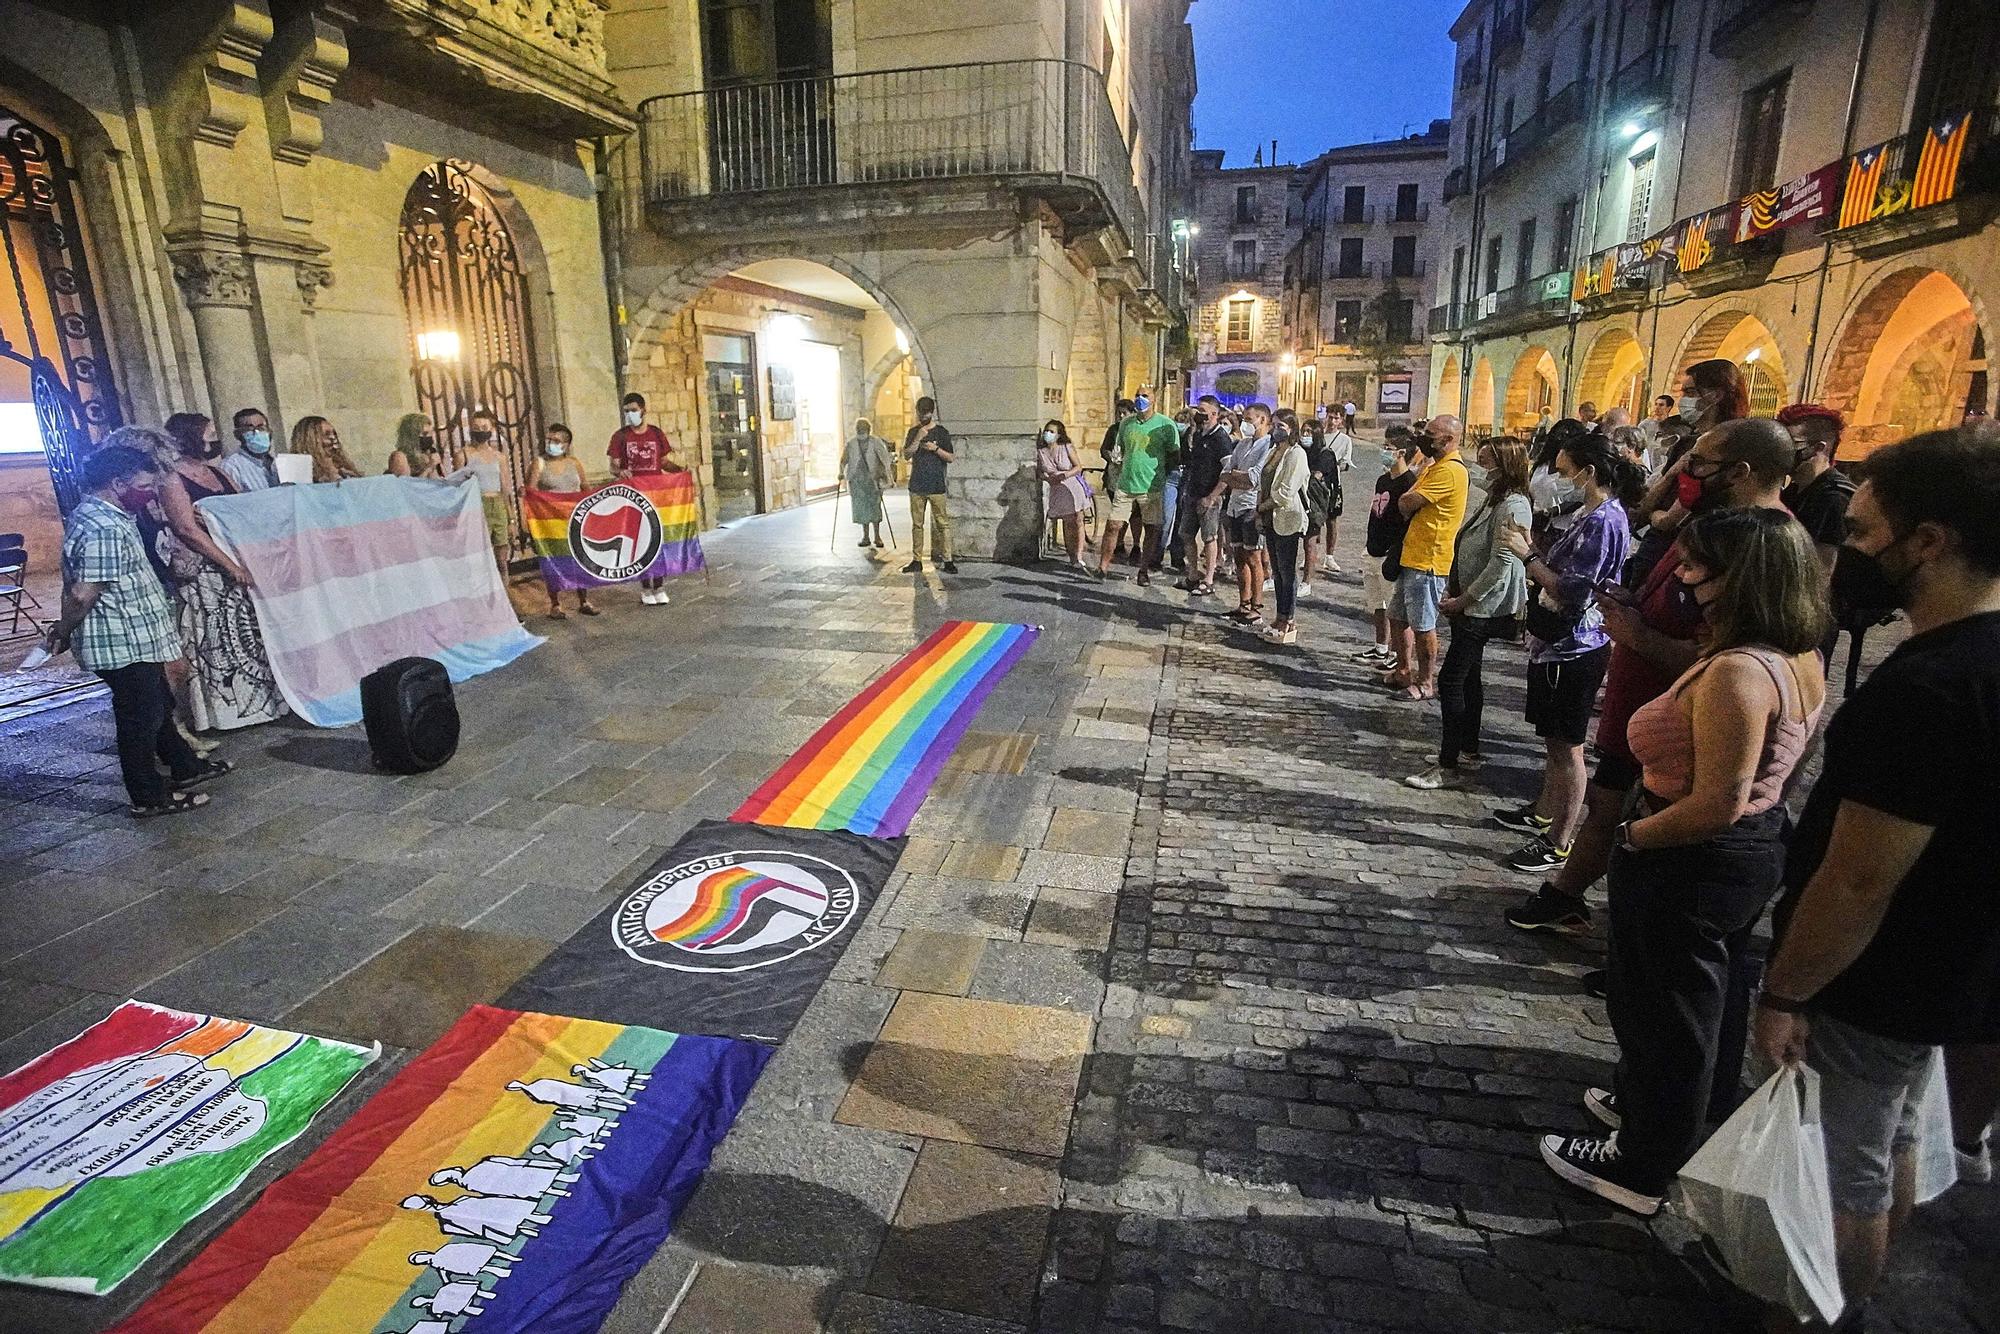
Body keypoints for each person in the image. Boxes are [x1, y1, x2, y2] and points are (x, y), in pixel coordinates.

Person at [1751, 423, 2000, 1304]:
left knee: (1838, 1170)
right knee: (1889, 1140)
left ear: (1928, 543)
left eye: (1862, 533)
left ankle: (1823, 1312)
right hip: (1950, 964)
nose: (1846, 550)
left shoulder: (1926, 691)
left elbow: (1859, 878)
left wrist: (1785, 991)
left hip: (1876, 976)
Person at [1542, 506, 1829, 1216]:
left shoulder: (1739, 671)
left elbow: (1720, 799)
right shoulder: (1797, 656)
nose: (1684, 581)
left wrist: (1634, 840)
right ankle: (1663, 1114)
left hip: (1691, 854)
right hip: (1735, 852)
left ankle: (1642, 1161)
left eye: (1698, 569)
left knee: (1668, 1014)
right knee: (1707, 1006)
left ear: (1742, 580)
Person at [1505, 418, 1795, 939]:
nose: (1687, 472)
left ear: (1742, 472)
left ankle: (1593, 908)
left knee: (1628, 822)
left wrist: (1637, 634)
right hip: (1640, 705)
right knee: (1607, 800)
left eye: (1700, 464)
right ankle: (1583, 905)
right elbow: (1653, 522)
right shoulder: (1709, 524)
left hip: (1682, 724)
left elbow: (1735, 660)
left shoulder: (1759, 546)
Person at [48, 445, 229, 816]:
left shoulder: (111, 515)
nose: (150, 492)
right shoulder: (104, 527)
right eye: (145, 484)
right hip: (120, 640)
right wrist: (63, 630)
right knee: (140, 719)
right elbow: (83, 594)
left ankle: (183, 765)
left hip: (136, 635)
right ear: (117, 483)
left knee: (158, 704)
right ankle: (148, 795)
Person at [1495, 431, 1637, 874]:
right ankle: (1544, 809)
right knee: (1553, 740)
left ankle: (1559, 839)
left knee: (1568, 745)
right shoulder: (1590, 511)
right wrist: (1536, 547)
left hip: (1575, 645)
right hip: (1557, 643)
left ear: (1589, 471)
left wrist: (1525, 556)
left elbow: (1572, 590)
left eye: (1565, 469)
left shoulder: (1604, 520)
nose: (1561, 477)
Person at [1406, 436, 1532, 790]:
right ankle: (1467, 748)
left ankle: (1448, 763)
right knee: (1470, 677)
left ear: (1504, 465)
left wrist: (1465, 599)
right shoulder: (1497, 499)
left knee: (1451, 680)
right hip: (1470, 601)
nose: (1481, 468)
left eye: (1488, 461)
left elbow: (1502, 562)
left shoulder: (1514, 506)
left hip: (1484, 607)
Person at [155, 414, 281, 733]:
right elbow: (187, 529)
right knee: (214, 640)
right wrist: (229, 565)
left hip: (236, 565)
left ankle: (260, 704)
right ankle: (223, 712)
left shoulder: (217, 472)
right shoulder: (172, 478)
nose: (214, 439)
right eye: (209, 434)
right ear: (191, 437)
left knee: (245, 636)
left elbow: (243, 510)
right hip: (206, 573)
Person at [1386, 415, 1470, 700]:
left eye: (1431, 434)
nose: (1424, 437)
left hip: (1430, 559)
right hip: (1412, 554)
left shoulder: (1451, 471)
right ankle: (1403, 669)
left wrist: (1407, 501)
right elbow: (1408, 495)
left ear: (1448, 439)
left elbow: (1408, 501)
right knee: (1397, 616)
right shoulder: (1433, 466)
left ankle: (1425, 681)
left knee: (1423, 624)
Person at [1096, 388, 1176, 586]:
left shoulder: (1166, 425)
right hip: (1126, 483)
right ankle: (1103, 566)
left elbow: (1174, 454)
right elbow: (1119, 449)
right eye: (1137, 395)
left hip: (1152, 486)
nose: (1140, 399)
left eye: (1145, 396)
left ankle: (1143, 570)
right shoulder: (1126, 424)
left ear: (1154, 399)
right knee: (1113, 525)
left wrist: (1162, 474)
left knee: (1151, 528)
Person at [1354, 429, 1419, 668]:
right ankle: (1381, 646)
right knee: (1376, 605)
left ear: (1401, 453)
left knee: (1395, 608)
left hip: (1391, 554)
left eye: (1388, 447)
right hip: (1372, 549)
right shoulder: (1383, 480)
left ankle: (1397, 654)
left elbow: (1408, 523)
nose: (1384, 451)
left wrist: (1396, 552)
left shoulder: (1409, 483)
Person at [609, 392, 677, 604]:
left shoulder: (656, 434)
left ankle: (659, 585)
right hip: (634, 498)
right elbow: (613, 465)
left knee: (657, 540)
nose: (630, 414)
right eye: (627, 411)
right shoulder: (620, 437)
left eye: (634, 410)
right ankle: (645, 588)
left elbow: (664, 462)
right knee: (640, 542)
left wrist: (680, 471)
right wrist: (620, 472)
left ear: (643, 410)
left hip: (656, 496)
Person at [526, 423, 596, 621]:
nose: (551, 444)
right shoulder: (539, 463)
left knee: (579, 559)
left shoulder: (575, 464)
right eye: (549, 440)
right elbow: (531, 492)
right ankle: (555, 604)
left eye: (556, 441)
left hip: (574, 520)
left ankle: (583, 601)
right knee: (552, 561)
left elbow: (585, 488)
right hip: (549, 523)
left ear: (566, 444)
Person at [1220, 403, 1275, 626]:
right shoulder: (1242, 444)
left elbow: (1255, 478)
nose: (1245, 422)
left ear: (1262, 420)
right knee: (1239, 556)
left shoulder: (1268, 446)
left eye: (1249, 418)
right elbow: (1225, 473)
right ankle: (1243, 603)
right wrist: (1235, 476)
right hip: (1234, 505)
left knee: (1254, 557)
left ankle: (1256, 607)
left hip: (1251, 508)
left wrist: (1236, 477)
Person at [1259, 412, 1309, 644]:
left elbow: (1286, 492)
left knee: (1287, 572)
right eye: (1275, 424)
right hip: (1270, 518)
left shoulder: (1296, 454)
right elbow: (1264, 480)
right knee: (1277, 571)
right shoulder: (1273, 450)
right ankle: (1279, 616)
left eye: (1282, 426)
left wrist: (1262, 507)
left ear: (1292, 428)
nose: (1276, 429)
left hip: (1287, 517)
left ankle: (1288, 618)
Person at [449, 409, 512, 581]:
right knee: (479, 557)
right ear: (470, 429)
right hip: (476, 506)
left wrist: (511, 518)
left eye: (485, 426)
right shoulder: (463, 455)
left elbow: (505, 487)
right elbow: (458, 485)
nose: (481, 430)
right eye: (476, 426)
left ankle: (505, 598)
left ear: (491, 429)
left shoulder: (499, 457)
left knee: (502, 560)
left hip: (497, 505)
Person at [1180, 395, 1232, 597]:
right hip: (1193, 493)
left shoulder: (1221, 439)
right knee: (1186, 534)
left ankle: (1208, 579)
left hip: (1209, 496)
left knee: (1209, 537)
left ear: (1214, 414)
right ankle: (1193, 575)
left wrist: (1212, 496)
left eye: (1203, 411)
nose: (1199, 414)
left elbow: (1227, 471)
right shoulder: (1200, 434)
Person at [902, 396, 956, 574]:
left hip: (936, 485)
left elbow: (950, 458)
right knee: (917, 524)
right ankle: (916, 560)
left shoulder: (942, 432)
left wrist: (936, 449)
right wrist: (918, 438)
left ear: (931, 413)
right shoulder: (913, 432)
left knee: (942, 523)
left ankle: (948, 560)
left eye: (925, 413)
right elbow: (907, 455)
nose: (922, 416)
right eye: (920, 412)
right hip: (917, 485)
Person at [1036, 419, 1090, 570]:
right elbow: (1040, 471)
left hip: (1072, 485)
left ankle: (1079, 555)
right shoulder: (1042, 452)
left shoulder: (1066, 447)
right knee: (1067, 522)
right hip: (1057, 488)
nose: (1048, 434)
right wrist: (1047, 478)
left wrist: (1065, 475)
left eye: (1052, 431)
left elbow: (1078, 466)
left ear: (1059, 435)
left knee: (1078, 520)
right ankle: (1072, 555)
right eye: (1047, 431)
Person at [1311, 408, 1353, 577]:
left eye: (1336, 418)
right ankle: (1312, 554)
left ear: (1341, 421)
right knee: (1314, 519)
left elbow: (1346, 464)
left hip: (1332, 485)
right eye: (1330, 417)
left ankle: (1330, 556)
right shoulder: (1317, 435)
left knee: (1331, 520)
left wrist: (1329, 466)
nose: (1332, 421)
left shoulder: (1344, 440)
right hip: (1315, 485)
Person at [843, 417, 893, 550]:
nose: (861, 432)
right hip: (857, 481)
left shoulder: (876, 442)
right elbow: (844, 459)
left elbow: (885, 460)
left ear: (868, 430)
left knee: (875, 508)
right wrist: (841, 472)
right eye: (859, 429)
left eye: (863, 429)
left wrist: (885, 476)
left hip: (873, 480)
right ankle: (866, 537)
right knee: (862, 509)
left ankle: (877, 536)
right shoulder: (851, 444)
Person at [219, 408, 278, 492]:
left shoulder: (278, 463)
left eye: (261, 427)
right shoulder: (231, 466)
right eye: (249, 429)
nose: (257, 432)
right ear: (237, 435)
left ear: (269, 431)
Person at [292, 414, 362, 483]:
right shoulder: (302, 473)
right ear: (310, 440)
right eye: (326, 434)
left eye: (334, 433)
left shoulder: (344, 468)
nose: (333, 437)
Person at [387, 412, 450, 478]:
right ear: (411, 436)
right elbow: (406, 486)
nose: (430, 437)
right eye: (424, 434)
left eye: (431, 433)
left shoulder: (429, 453)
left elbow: (444, 479)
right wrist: (429, 467)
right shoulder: (400, 457)